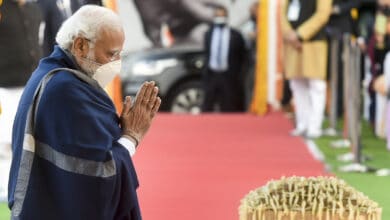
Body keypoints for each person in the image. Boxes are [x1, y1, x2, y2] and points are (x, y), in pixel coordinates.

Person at [8, 5, 161, 220]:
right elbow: (99, 179)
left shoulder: (50, 75)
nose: (116, 63)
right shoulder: (66, 90)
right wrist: (130, 138)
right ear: (80, 45)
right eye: (111, 54)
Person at [0, 0, 43, 199]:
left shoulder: (35, 9)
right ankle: (3, 188)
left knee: (30, 139)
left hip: (32, 87)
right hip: (4, 87)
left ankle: (24, 186)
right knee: (5, 142)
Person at [280, 0, 332, 138]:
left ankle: (315, 126)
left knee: (316, 85)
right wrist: (289, 33)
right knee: (296, 84)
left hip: (313, 43)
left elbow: (322, 14)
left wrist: (300, 34)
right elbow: (282, 14)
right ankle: (303, 124)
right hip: (292, 45)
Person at [202, 6, 247, 112]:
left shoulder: (236, 35)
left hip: (229, 76)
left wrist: (239, 74)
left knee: (229, 107)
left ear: (227, 17)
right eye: (218, 16)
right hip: (211, 75)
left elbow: (242, 56)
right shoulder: (208, 34)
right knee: (207, 107)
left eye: (223, 16)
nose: (220, 18)